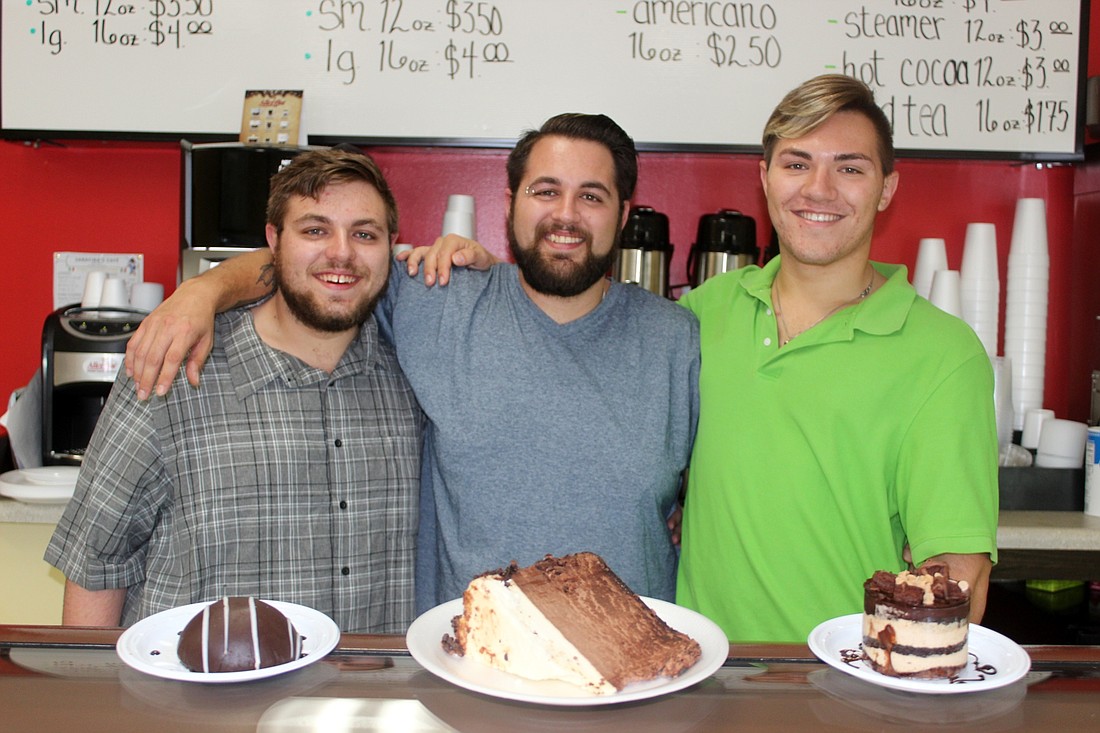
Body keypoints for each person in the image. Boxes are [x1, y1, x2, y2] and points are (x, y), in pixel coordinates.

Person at [399, 76, 999, 643]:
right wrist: (471, 267)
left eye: (849, 168)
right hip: (698, 671)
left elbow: (957, 573)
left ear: (887, 187)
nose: (819, 189)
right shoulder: (704, 317)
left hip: (842, 686)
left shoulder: (943, 355)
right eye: (797, 164)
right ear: (765, 179)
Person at [123, 114, 700, 612]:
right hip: (472, 673)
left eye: (592, 196)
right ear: (511, 203)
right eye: (545, 191)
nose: (566, 215)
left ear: (623, 214)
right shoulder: (435, 296)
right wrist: (202, 292)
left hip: (632, 675)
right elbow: (318, 261)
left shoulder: (680, 340)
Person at [45, 148, 424, 632]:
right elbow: (98, 561)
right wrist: (94, 699)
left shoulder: (412, 374)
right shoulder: (175, 368)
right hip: (196, 701)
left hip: (366, 701)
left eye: (364, 234)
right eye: (314, 230)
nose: (342, 253)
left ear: (391, 244)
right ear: (274, 241)